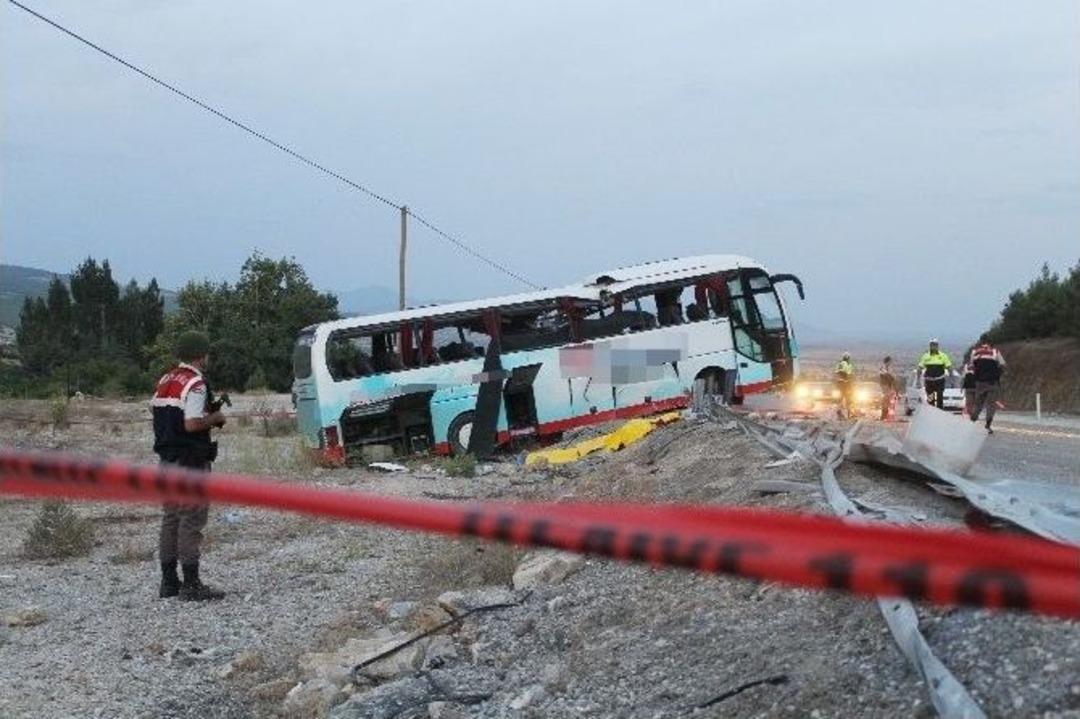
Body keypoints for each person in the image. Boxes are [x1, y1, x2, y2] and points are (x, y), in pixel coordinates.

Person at [151, 331, 226, 601]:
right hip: (190, 461)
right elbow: (192, 424)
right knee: (191, 519)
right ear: (201, 355)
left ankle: (169, 582)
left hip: (166, 460)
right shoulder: (196, 383)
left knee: (171, 518)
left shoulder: (166, 379)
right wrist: (215, 418)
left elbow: (163, 416)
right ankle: (191, 584)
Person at [969, 340, 1006, 434]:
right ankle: (988, 425)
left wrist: (976, 376)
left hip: (979, 382)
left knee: (978, 403)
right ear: (990, 344)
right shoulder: (995, 352)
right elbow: (1002, 365)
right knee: (991, 404)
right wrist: (998, 374)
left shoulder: (975, 352)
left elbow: (972, 366)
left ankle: (972, 421)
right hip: (992, 382)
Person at [917, 339, 953, 410]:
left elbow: (949, 367)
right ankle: (931, 410)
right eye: (932, 345)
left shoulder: (943, 355)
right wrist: (918, 379)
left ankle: (939, 410)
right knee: (930, 398)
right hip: (929, 381)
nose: (933, 347)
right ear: (930, 346)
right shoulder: (926, 356)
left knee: (940, 396)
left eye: (935, 345)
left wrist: (951, 378)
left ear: (937, 346)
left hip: (939, 380)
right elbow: (920, 368)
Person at [835, 352, 855, 418]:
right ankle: (846, 412)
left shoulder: (842, 363)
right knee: (846, 397)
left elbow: (839, 373)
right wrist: (845, 379)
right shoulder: (845, 364)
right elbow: (842, 373)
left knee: (843, 397)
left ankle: (844, 411)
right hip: (844, 383)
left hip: (843, 383)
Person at [877, 356, 897, 421]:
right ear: (887, 361)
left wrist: (892, 377)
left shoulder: (888, 368)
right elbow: (886, 375)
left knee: (888, 399)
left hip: (888, 385)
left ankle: (885, 414)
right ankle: (883, 415)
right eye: (890, 361)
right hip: (885, 385)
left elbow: (892, 376)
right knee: (885, 399)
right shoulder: (883, 367)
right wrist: (891, 376)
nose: (891, 363)